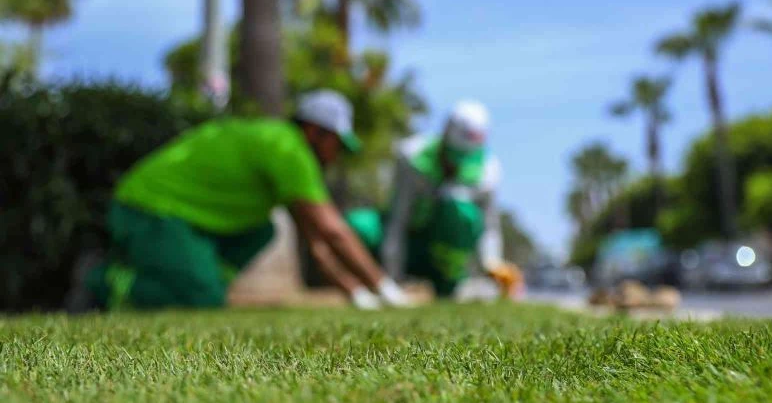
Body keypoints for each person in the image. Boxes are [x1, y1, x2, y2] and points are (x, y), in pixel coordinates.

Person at [67, 90, 411, 312]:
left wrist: (356, 295)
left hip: (177, 217)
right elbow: (332, 230)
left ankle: (201, 279)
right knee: (203, 300)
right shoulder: (289, 149)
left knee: (261, 230)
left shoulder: (281, 148)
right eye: (336, 143)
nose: (336, 154)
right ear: (315, 131)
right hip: (150, 210)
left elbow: (317, 245)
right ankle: (102, 280)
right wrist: (384, 288)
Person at [345, 100, 523, 299]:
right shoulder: (412, 157)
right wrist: (391, 281)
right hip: (409, 241)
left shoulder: (489, 172)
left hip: (439, 247)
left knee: (459, 207)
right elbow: (398, 219)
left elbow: (489, 227)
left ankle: (449, 284)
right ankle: (363, 284)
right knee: (358, 224)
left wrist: (492, 263)